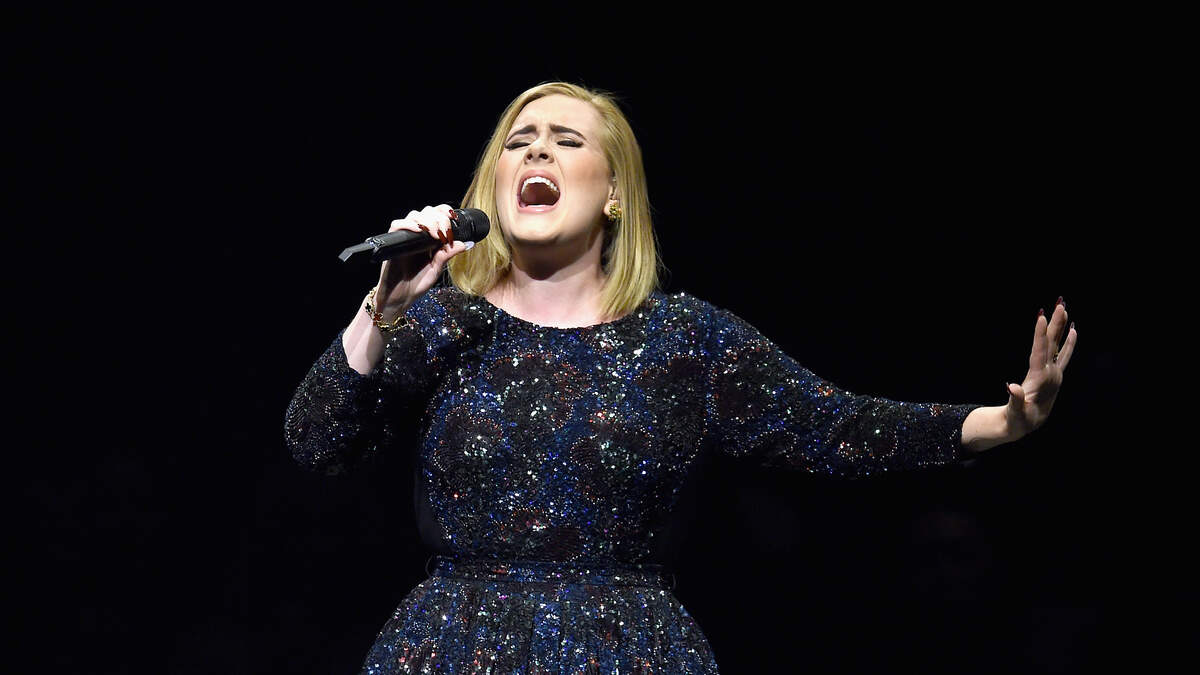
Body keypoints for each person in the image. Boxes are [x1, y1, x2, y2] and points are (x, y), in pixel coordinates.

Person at [284, 81, 1078, 674]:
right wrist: (382, 309)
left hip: (626, 648)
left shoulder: (683, 338)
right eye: (519, 141)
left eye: (565, 140)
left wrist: (1001, 421)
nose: (536, 152)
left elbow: (834, 425)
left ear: (615, 193)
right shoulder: (442, 323)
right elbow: (316, 442)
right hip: (455, 645)